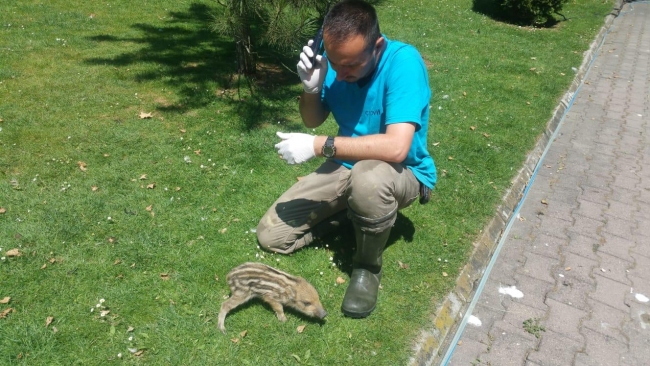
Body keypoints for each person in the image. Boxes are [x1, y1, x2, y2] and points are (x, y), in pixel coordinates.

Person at [256, 0, 436, 318]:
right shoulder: (335, 61)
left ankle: (367, 266)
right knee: (272, 236)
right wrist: (310, 88)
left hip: (402, 171)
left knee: (368, 179)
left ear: (376, 46)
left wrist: (318, 146)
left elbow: (397, 148)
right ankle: (357, 214)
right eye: (335, 64)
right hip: (347, 163)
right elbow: (312, 119)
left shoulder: (403, 63)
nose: (340, 74)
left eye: (350, 66)